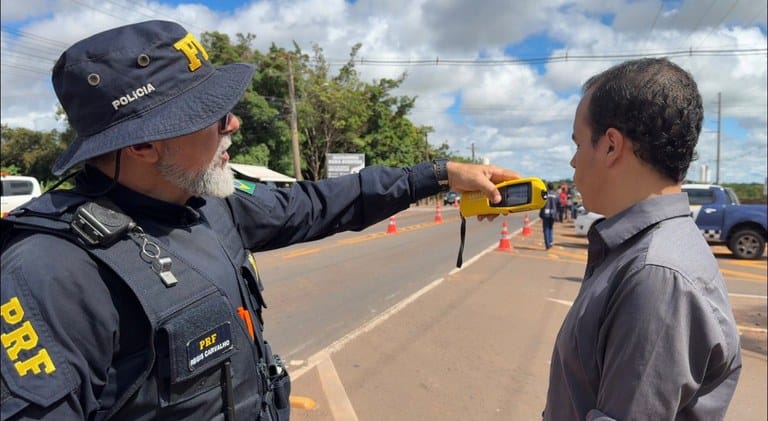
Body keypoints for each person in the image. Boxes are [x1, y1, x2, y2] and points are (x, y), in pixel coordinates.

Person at [0, 21, 519, 420]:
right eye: (211, 114)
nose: (234, 123)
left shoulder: (209, 202)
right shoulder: (48, 273)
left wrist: (438, 174)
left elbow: (318, 203)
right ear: (141, 144)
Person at [543, 58, 741, 420]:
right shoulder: (647, 252)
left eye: (578, 143)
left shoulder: (656, 275)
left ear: (610, 146)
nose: (573, 161)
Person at [539, 182, 559, 250]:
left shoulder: (545, 194)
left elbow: (542, 204)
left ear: (547, 187)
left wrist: (541, 214)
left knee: (546, 229)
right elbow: (558, 204)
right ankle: (550, 242)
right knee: (550, 228)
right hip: (553, 214)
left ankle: (547, 244)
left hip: (545, 214)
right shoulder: (556, 194)